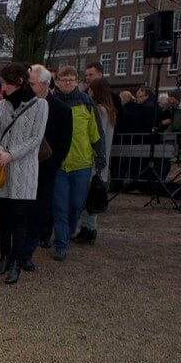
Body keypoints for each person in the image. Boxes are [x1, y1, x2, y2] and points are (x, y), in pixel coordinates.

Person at [0, 62, 48, 285]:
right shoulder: (1, 106)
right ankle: (4, 255)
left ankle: (16, 261)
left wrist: (10, 155)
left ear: (19, 82)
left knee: (20, 218)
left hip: (24, 172)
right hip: (2, 171)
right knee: (3, 217)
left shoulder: (40, 106)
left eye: (6, 84)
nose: (3, 88)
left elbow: (35, 139)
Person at [50, 66, 102, 262]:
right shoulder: (51, 102)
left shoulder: (86, 102)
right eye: (64, 80)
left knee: (76, 205)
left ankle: (69, 231)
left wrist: (100, 155)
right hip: (59, 165)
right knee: (60, 206)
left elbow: (94, 133)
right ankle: (61, 243)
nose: (68, 83)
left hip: (81, 164)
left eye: (71, 80)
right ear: (58, 81)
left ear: (77, 81)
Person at [25, 64, 72, 259]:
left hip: (46, 169)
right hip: (25, 167)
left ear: (45, 84)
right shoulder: (24, 105)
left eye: (33, 84)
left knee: (42, 207)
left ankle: (32, 246)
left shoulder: (61, 110)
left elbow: (64, 143)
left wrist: (51, 165)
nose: (29, 87)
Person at [76, 78, 117, 244]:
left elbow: (96, 134)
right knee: (93, 193)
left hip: (95, 158)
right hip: (103, 158)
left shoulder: (99, 110)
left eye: (91, 89)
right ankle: (88, 227)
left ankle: (89, 228)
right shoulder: (111, 110)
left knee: (89, 194)